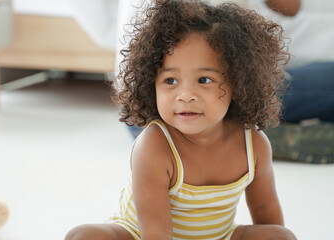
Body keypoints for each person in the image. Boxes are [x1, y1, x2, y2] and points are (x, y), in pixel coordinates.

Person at [65, 1, 297, 239]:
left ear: (238, 84)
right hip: (141, 234)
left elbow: (265, 211)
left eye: (204, 80)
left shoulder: (254, 144)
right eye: (171, 81)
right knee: (82, 236)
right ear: (151, 84)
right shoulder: (154, 146)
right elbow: (155, 231)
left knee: (282, 236)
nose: (185, 95)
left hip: (221, 235)